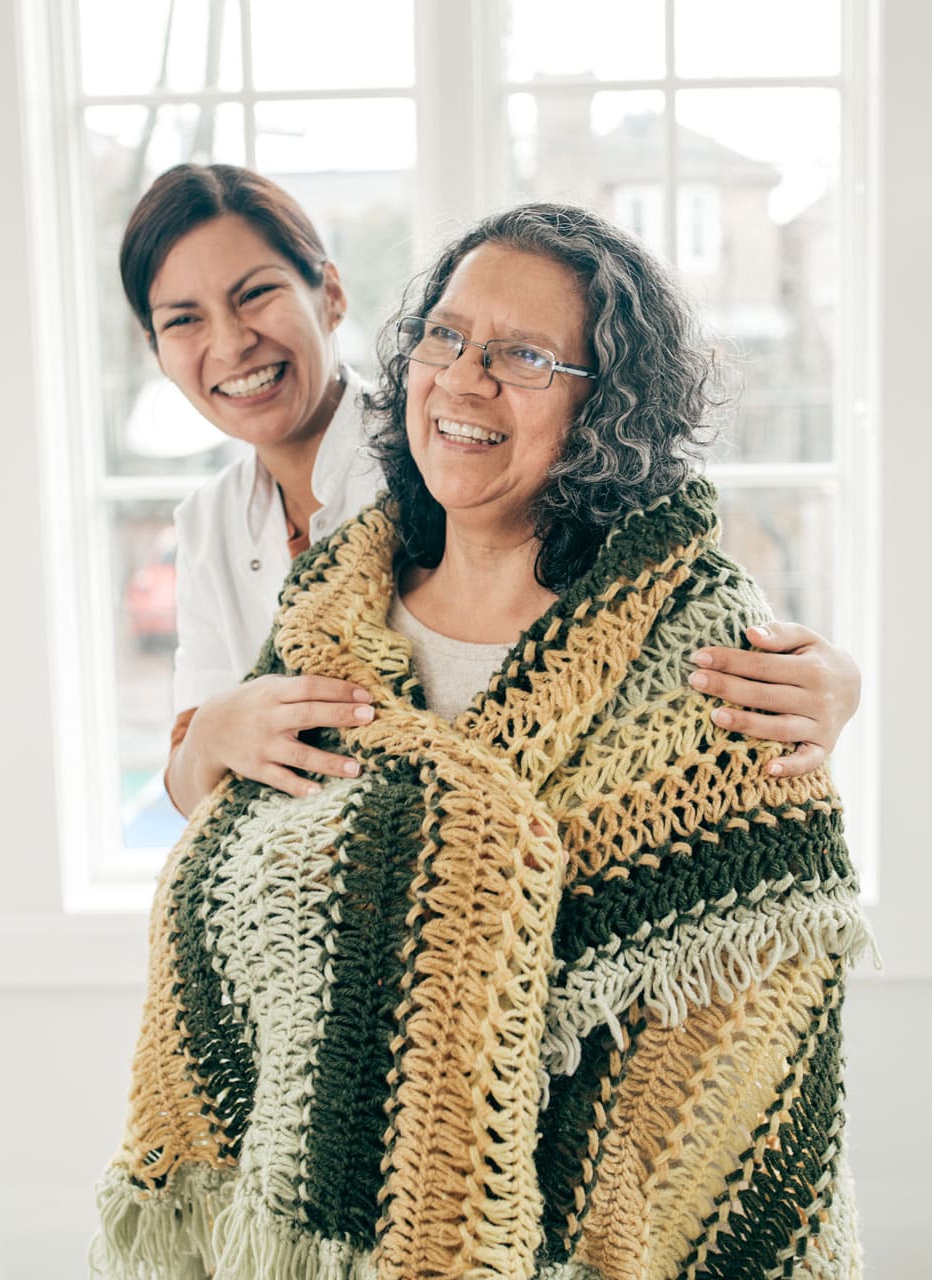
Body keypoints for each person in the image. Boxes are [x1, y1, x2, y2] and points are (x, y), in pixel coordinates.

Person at [93, 202, 879, 1280]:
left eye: (522, 355)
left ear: (609, 409)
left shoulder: (704, 659)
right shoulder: (326, 614)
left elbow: (742, 1036)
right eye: (447, 338)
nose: (465, 379)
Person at [113, 163, 864, 816]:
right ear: (155, 349)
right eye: (182, 320)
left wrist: (837, 682)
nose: (231, 341)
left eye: (255, 295)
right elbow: (196, 784)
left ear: (331, 295)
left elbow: (651, 576)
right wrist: (214, 733)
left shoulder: (458, 451)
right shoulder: (209, 523)